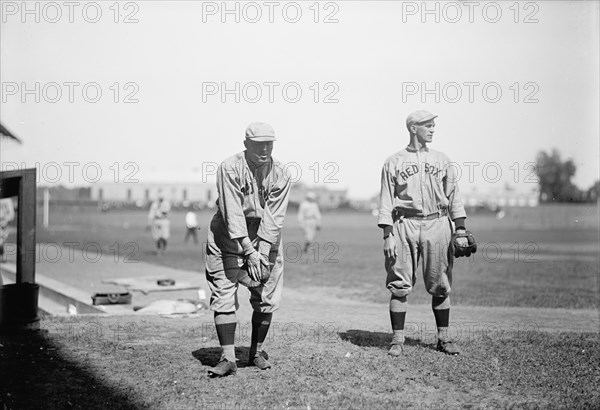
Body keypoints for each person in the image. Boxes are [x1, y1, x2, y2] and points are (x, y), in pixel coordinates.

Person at [378, 110, 471, 357]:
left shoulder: (442, 159)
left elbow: (454, 198)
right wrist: (387, 234)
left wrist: (459, 229)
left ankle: (444, 338)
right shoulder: (393, 161)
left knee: (440, 284)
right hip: (404, 225)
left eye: (433, 125)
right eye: (427, 125)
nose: (432, 129)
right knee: (399, 284)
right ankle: (397, 339)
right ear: (413, 128)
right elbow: (386, 202)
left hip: (437, 224)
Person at [205, 122, 292, 377]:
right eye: (258, 144)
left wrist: (262, 254)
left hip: (265, 234)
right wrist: (248, 251)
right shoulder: (229, 167)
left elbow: (274, 217)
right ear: (246, 145)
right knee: (223, 290)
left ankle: (256, 352)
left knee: (266, 293)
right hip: (227, 234)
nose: (264, 149)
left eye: (269, 144)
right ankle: (228, 358)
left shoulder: (282, 173)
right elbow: (232, 211)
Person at [0, 197, 15, 263]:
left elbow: (11, 214)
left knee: (2, 239)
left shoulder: (7, 200)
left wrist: (5, 219)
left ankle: (1, 255)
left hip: (4, 222)